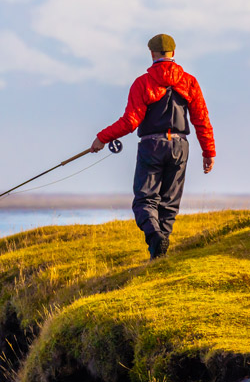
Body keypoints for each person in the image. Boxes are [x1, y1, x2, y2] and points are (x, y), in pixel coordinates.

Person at [90, 34, 215, 259]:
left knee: (144, 200)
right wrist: (208, 152)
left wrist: (102, 138)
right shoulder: (189, 81)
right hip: (180, 147)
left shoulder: (143, 83)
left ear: (152, 53)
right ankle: (159, 254)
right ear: (173, 53)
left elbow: (130, 122)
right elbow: (201, 120)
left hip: (152, 146)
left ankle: (156, 241)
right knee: (169, 204)